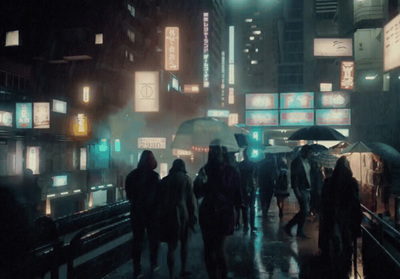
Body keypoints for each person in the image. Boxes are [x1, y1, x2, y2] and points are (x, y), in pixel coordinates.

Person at [194, 139, 242, 279]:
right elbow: (197, 193)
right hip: (208, 212)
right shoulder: (204, 170)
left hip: (224, 213)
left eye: (218, 149)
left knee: (220, 249)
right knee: (209, 249)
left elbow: (237, 194)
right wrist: (199, 182)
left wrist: (238, 214)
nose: (215, 151)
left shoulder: (232, 171)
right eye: (212, 149)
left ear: (223, 151)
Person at [318, 156, 361, 279]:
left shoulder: (329, 182)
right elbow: (356, 202)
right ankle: (344, 269)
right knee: (347, 244)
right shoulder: (352, 182)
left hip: (333, 218)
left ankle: (336, 269)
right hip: (347, 218)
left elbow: (324, 202)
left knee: (336, 243)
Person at [125, 150, 161, 278]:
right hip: (152, 214)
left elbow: (129, 195)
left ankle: (137, 269)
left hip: (137, 213)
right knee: (153, 240)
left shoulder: (132, 176)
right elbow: (159, 197)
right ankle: (153, 263)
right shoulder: (154, 177)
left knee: (137, 241)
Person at [159, 159, 197, 279]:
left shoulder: (165, 180)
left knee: (172, 246)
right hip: (183, 214)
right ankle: (183, 269)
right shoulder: (187, 180)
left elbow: (159, 200)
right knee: (184, 243)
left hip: (168, 214)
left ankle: (170, 274)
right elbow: (191, 201)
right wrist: (194, 217)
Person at [284, 144, 316, 239]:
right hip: (301, 189)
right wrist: (297, 190)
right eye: (309, 152)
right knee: (305, 210)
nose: (310, 154)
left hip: (308, 188)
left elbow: (310, 175)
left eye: (311, 152)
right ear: (304, 152)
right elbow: (295, 177)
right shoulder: (297, 162)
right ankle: (293, 228)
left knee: (304, 211)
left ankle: (296, 229)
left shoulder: (309, 162)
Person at [238, 147, 259, 232]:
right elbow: (256, 177)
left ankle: (246, 225)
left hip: (243, 186)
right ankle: (252, 225)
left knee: (244, 207)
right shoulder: (254, 164)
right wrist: (256, 186)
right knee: (252, 207)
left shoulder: (240, 165)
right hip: (251, 186)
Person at [258, 153, 276, 218]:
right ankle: (266, 210)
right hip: (270, 184)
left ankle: (263, 210)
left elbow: (258, 175)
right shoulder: (272, 165)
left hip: (262, 184)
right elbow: (274, 175)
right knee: (268, 199)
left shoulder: (261, 164)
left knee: (263, 199)